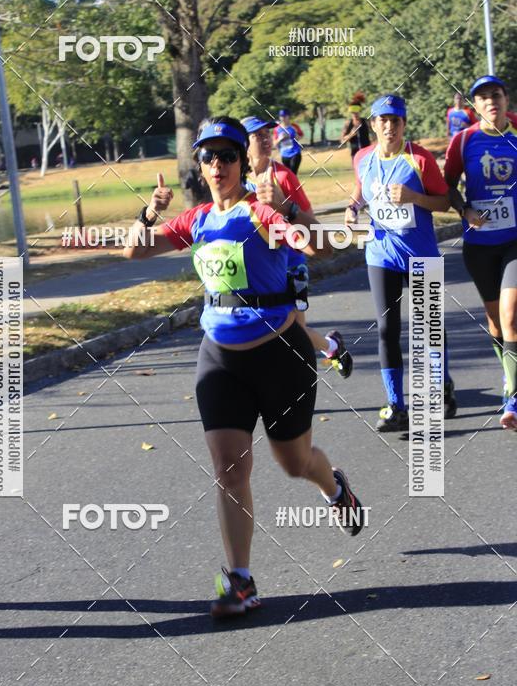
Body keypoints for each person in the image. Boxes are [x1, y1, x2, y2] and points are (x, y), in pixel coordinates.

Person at [124, 115, 365, 618]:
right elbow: (133, 250)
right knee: (230, 471)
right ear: (200, 165)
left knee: (294, 464)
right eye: (208, 157)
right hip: (219, 358)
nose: (218, 165)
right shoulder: (197, 220)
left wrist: (288, 212)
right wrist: (149, 213)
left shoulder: (261, 213)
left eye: (227, 156)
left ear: (241, 161)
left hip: (281, 355)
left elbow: (319, 246)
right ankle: (241, 581)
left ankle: (335, 485)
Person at [345, 94, 457, 431]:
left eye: (395, 120)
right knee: (386, 330)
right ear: (374, 124)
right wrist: (352, 208)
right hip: (381, 255)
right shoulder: (363, 157)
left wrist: (414, 198)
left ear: (404, 124)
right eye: (382, 120)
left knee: (429, 331)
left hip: (421, 254)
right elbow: (361, 191)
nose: (389, 126)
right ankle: (396, 405)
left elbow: (445, 202)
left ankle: (443, 387)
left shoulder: (419, 159)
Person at [242, 114, 353, 378]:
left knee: (293, 331)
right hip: (256, 267)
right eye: (258, 136)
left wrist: (285, 215)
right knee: (268, 329)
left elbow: (308, 218)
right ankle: (331, 347)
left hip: (290, 263)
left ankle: (301, 385)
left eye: (268, 134)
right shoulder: (238, 179)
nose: (266, 139)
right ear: (243, 143)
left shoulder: (282, 175)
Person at [444, 75, 517, 431]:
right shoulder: (464, 140)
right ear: (476, 105)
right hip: (480, 244)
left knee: (511, 313)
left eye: (496, 95)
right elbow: (446, 185)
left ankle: (514, 397)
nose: (491, 101)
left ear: (506, 100)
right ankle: (509, 373)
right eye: (483, 97)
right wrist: (464, 211)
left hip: (515, 241)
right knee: (495, 321)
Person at [273, 109, 304, 174]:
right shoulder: (277, 129)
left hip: (295, 153)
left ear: (288, 116)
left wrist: (293, 136)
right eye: (281, 116)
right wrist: (280, 138)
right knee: (287, 174)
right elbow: (275, 143)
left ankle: (295, 184)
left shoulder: (294, 126)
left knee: (293, 173)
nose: (283, 118)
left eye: (285, 116)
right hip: (284, 154)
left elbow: (301, 135)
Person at [341, 96, 371, 161]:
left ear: (359, 111)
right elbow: (342, 141)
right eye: (353, 112)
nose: (355, 114)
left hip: (367, 153)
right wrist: (351, 134)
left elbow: (375, 134)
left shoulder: (366, 121)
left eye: (356, 112)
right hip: (355, 155)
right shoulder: (348, 123)